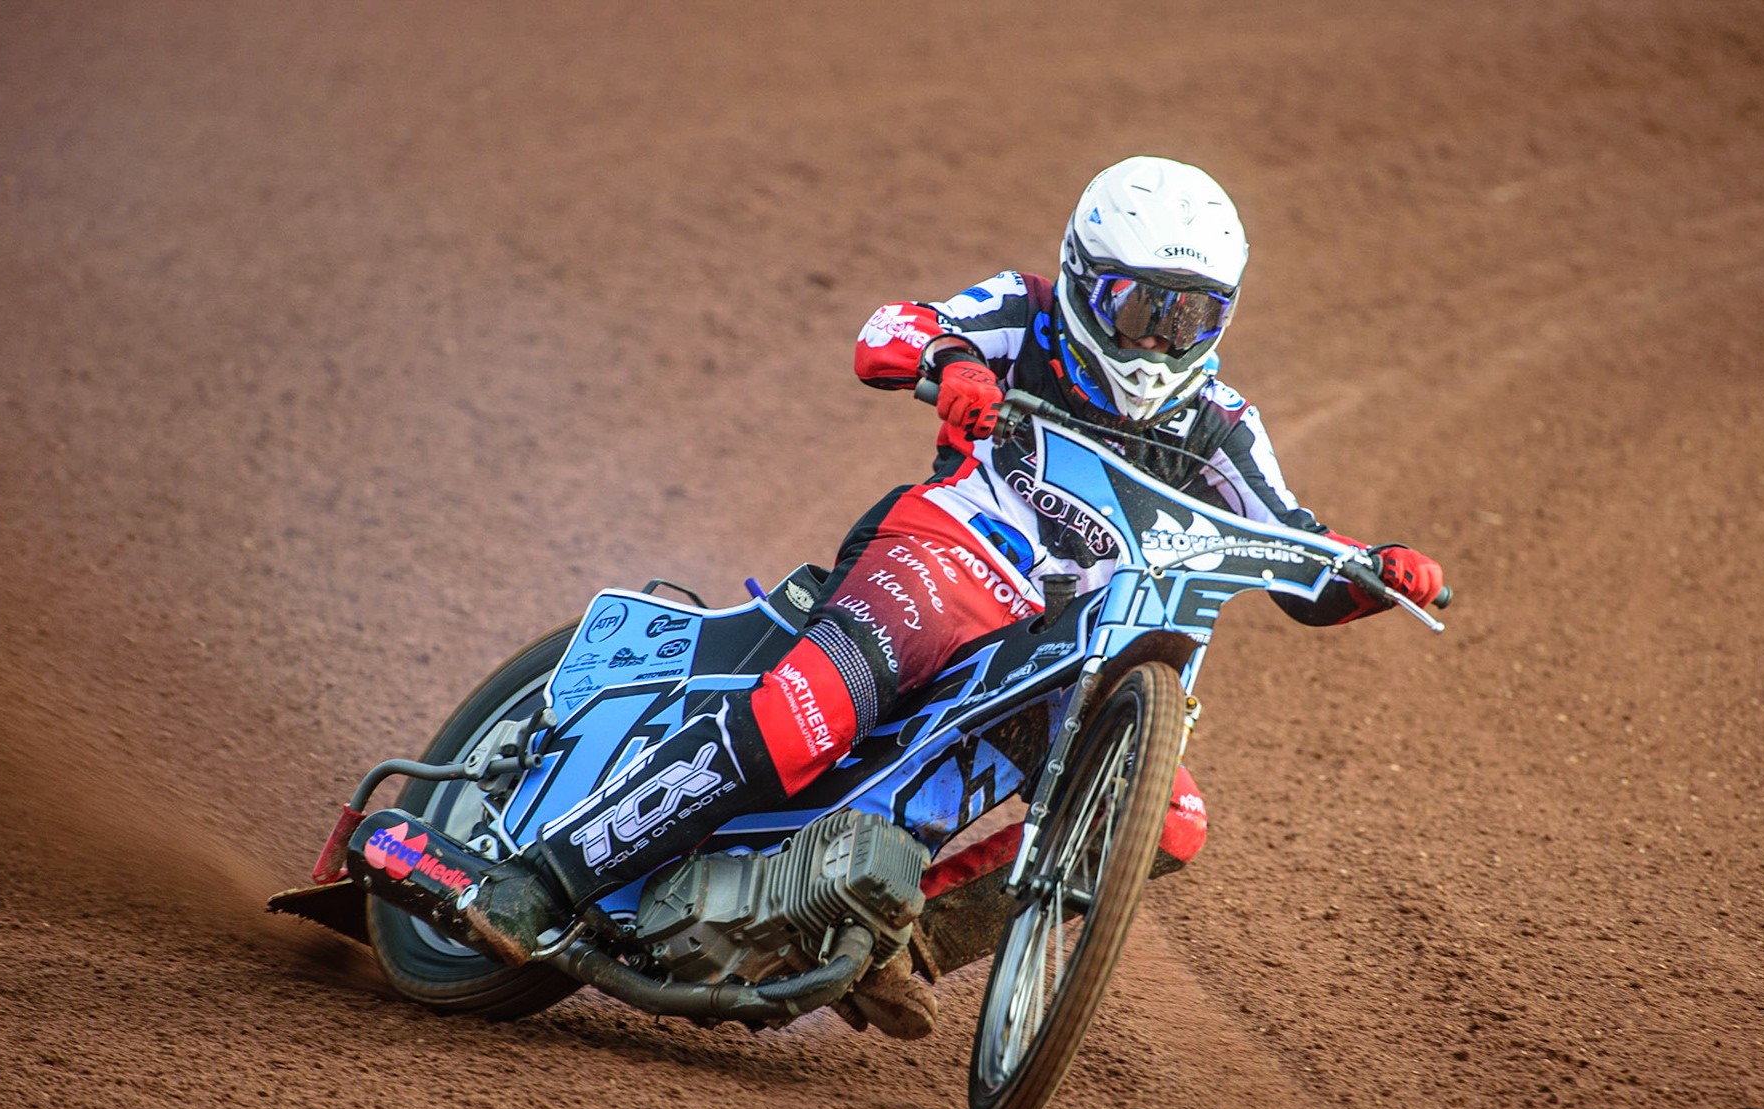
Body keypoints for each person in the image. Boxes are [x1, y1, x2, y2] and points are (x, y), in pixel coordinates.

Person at [465, 157, 1445, 1037]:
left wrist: (1375, 571)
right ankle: (542, 879)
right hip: (948, 558)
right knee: (807, 720)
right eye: (1141, 307)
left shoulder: (1224, 424)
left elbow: (1293, 544)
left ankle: (904, 937)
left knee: (1169, 818)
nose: (1161, 340)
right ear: (1079, 280)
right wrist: (952, 364)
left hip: (1070, 645)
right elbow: (890, 329)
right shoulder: (1022, 314)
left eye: (1192, 316)